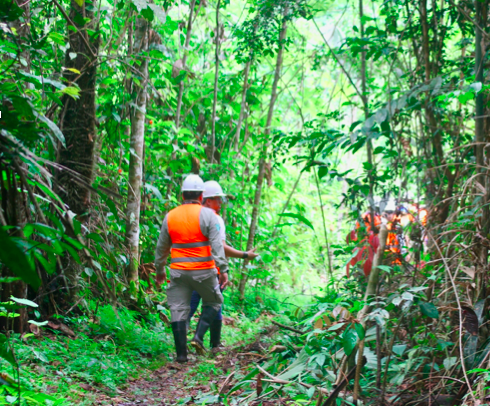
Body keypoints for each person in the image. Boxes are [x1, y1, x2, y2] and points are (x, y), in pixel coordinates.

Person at [154, 174, 228, 363]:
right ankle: (198, 336)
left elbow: (162, 247)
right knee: (214, 302)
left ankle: (181, 356)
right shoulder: (208, 215)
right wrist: (223, 269)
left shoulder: (171, 216)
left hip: (178, 272)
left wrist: (160, 270)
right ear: (202, 196)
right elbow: (217, 245)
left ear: (182, 195)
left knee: (178, 309)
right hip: (204, 270)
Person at [188, 180, 259, 349]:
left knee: (194, 305)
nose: (221, 203)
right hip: (209, 268)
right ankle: (199, 338)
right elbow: (220, 247)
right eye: (218, 199)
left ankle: (213, 343)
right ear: (208, 200)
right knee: (213, 304)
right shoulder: (215, 219)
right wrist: (245, 255)